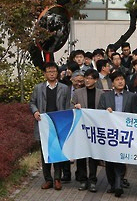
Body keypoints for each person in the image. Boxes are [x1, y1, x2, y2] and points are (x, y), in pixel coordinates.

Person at [30, 62, 70, 191]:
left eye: (54, 71)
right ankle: (48, 179)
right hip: (43, 124)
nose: (51, 73)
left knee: (57, 152)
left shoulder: (64, 88)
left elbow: (68, 106)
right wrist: (35, 111)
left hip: (58, 124)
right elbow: (32, 102)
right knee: (45, 153)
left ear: (57, 73)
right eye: (49, 71)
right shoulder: (38, 88)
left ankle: (57, 178)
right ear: (45, 73)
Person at [97, 70, 137, 197]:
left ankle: (119, 183)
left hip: (125, 133)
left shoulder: (131, 96)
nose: (120, 82)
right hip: (110, 132)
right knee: (110, 160)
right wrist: (105, 111)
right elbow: (98, 113)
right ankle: (113, 184)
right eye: (117, 80)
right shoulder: (105, 96)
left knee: (121, 158)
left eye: (122, 79)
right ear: (112, 83)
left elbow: (135, 115)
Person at [72, 69, 104, 192]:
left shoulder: (101, 93)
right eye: (86, 77)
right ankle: (82, 180)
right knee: (81, 155)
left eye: (90, 78)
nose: (87, 80)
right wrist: (76, 107)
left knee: (93, 156)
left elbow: (103, 110)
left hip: (95, 128)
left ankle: (92, 180)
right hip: (81, 128)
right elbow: (71, 107)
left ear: (95, 80)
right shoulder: (78, 93)